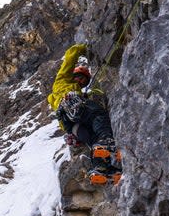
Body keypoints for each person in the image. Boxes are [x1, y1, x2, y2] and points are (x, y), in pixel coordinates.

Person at [47, 44, 121, 185]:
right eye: (79, 77)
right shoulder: (61, 82)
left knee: (94, 141)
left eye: (84, 81)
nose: (81, 81)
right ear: (73, 75)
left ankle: (101, 169)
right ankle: (106, 141)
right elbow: (70, 56)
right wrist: (83, 48)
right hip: (70, 104)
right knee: (99, 114)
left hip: (74, 126)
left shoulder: (77, 93)